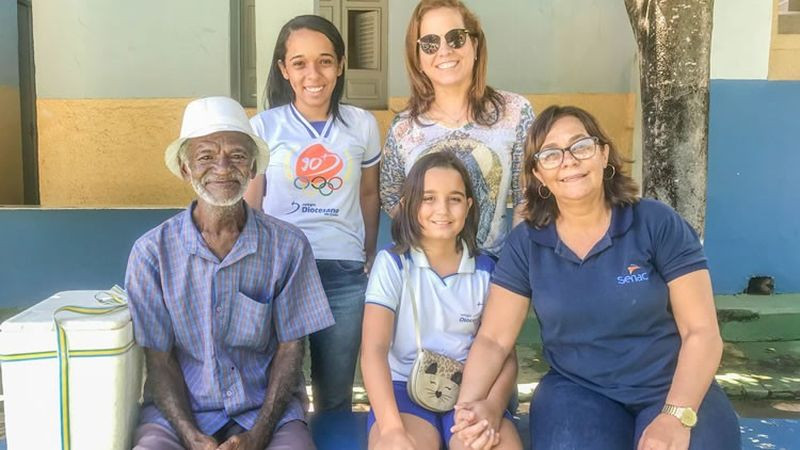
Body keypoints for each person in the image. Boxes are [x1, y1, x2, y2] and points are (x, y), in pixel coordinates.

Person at [453, 105, 741, 449]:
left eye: (581, 146)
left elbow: (702, 333)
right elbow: (494, 340)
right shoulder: (527, 242)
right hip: (578, 391)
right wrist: (468, 412)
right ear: (538, 174)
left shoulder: (656, 223)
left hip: (672, 385)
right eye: (550, 154)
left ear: (604, 154)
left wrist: (674, 416)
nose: (569, 160)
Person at [126, 96, 333, 450]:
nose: (222, 167)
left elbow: (290, 351)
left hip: (265, 410)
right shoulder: (151, 254)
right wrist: (190, 435)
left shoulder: (288, 246)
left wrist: (259, 435)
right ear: (184, 168)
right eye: (205, 156)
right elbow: (158, 360)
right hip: (182, 411)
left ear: (253, 168)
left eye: (237, 155)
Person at [244, 15, 381, 413]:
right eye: (299, 62)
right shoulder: (264, 127)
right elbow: (253, 203)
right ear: (284, 70)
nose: (313, 74)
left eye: (325, 61)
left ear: (340, 66)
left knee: (335, 394)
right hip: (280, 272)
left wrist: (368, 253)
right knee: (280, 389)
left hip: (342, 274)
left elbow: (369, 194)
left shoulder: (362, 124)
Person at [361, 152, 521, 450]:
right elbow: (373, 350)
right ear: (408, 205)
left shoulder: (487, 270)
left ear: (469, 206)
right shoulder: (393, 263)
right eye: (428, 198)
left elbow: (506, 355)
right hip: (402, 390)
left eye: (455, 199)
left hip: (470, 391)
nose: (442, 209)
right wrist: (393, 430)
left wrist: (493, 407)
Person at [380, 0, 534, 258]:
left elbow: (527, 198)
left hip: (496, 272)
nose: (444, 50)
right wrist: (431, 244)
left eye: (456, 38)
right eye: (429, 42)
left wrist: (515, 268)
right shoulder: (404, 128)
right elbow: (390, 195)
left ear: (474, 45)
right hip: (426, 272)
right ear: (417, 58)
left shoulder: (515, 112)